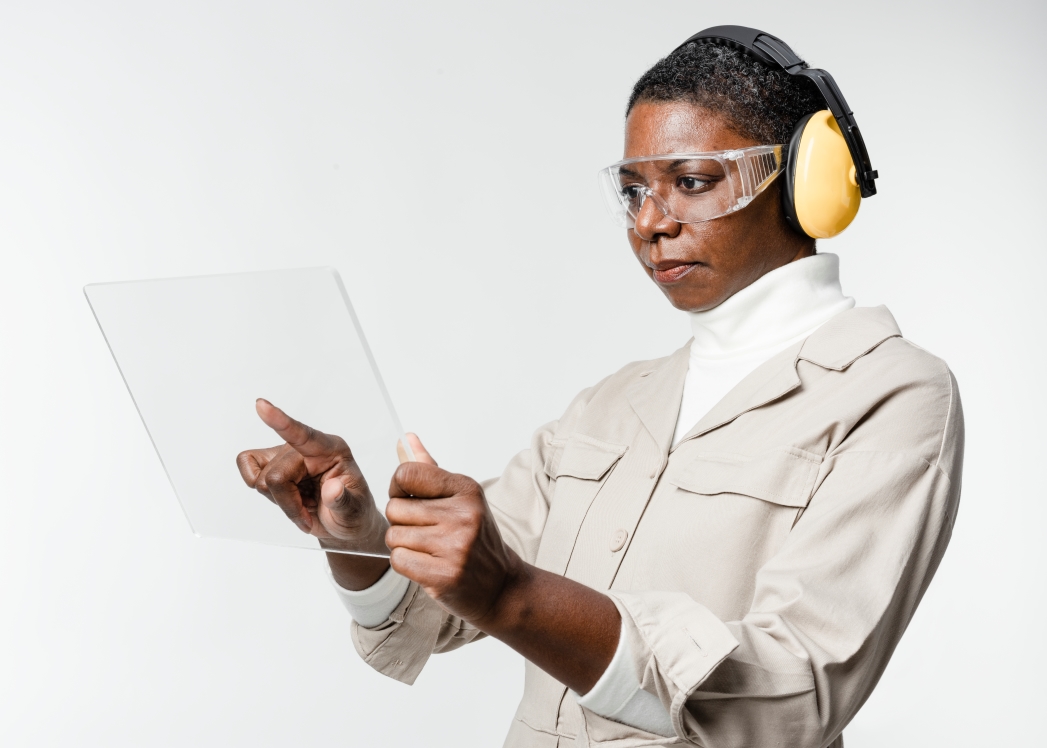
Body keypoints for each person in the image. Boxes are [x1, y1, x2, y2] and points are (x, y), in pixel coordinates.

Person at [237, 26, 963, 748]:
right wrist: (356, 532)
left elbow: (787, 701)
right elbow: (434, 614)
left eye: (691, 181)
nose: (649, 221)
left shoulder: (892, 395)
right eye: (632, 190)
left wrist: (513, 594)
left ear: (808, 181)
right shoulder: (613, 404)